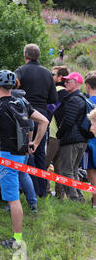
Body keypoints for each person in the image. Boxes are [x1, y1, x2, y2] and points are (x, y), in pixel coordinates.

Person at [0, 70, 48, 248]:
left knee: (13, 199)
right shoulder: (22, 102)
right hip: (20, 155)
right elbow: (44, 121)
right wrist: (35, 143)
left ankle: (17, 239)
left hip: (7, 157)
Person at [15, 43, 58, 198]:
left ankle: (23, 189)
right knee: (39, 154)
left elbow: (12, 91)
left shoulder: (20, 71)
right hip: (42, 116)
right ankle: (40, 191)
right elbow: (53, 98)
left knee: (21, 151)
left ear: (25, 55)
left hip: (23, 115)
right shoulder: (47, 74)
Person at [55, 72, 87, 203]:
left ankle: (74, 200)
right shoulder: (82, 98)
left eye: (69, 81)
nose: (65, 83)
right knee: (73, 170)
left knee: (65, 170)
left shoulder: (73, 99)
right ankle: (80, 199)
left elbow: (68, 121)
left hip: (72, 140)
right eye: (65, 81)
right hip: (81, 139)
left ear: (78, 83)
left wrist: (59, 134)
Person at [45, 66, 70, 198]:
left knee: (44, 163)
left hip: (53, 134)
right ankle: (61, 194)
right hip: (63, 135)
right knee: (59, 167)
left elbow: (49, 111)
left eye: (53, 74)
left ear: (60, 77)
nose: (51, 76)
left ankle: (46, 191)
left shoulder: (57, 92)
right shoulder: (68, 92)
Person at [85, 71, 96, 209]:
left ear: (87, 86)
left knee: (91, 172)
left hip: (89, 142)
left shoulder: (87, 102)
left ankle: (94, 202)